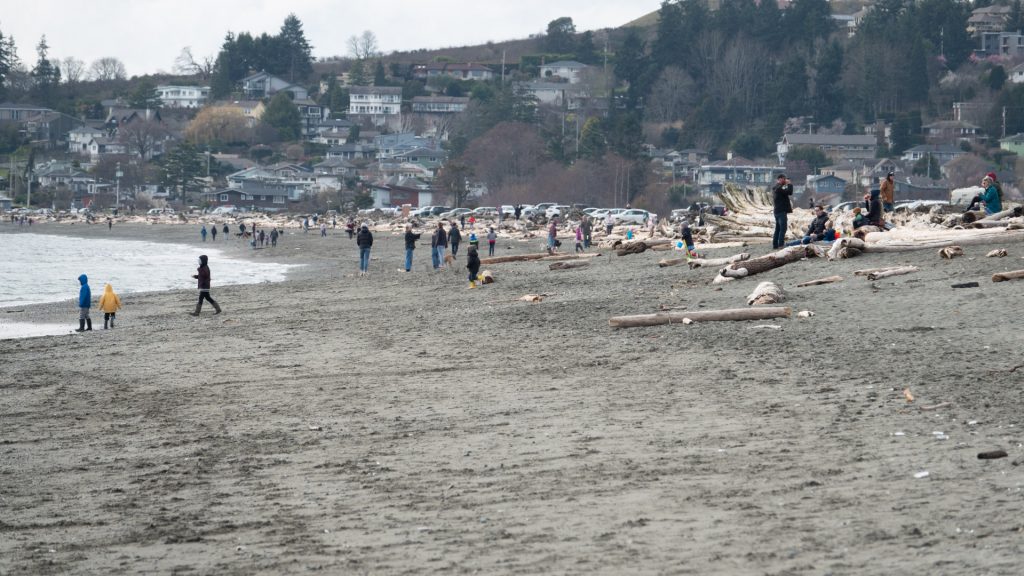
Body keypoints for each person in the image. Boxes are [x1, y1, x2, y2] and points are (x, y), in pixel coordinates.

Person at [772, 173, 794, 249]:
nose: (785, 180)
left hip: (777, 211)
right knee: (783, 228)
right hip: (781, 211)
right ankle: (781, 244)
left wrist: (786, 184)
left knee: (778, 228)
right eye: (784, 179)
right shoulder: (779, 188)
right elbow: (789, 192)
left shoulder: (776, 187)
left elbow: (785, 189)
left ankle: (775, 245)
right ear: (780, 179)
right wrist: (790, 184)